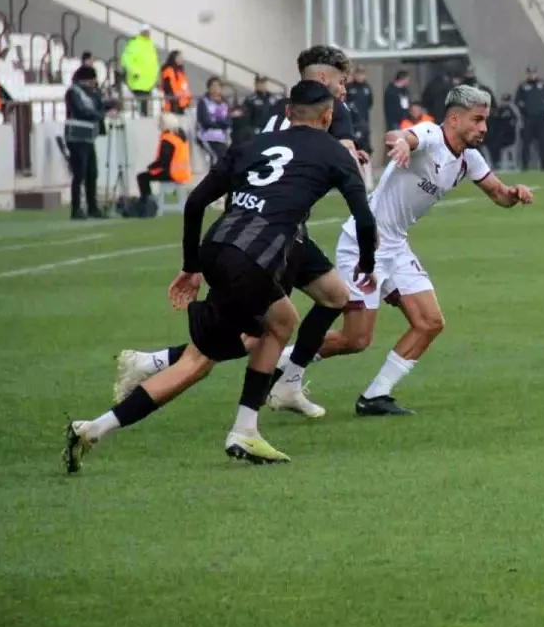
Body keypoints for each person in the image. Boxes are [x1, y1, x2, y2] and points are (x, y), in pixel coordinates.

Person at [64, 80, 379, 474]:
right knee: (201, 361)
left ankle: (106, 427)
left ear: (287, 111)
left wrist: (192, 266)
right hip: (253, 259)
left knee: (279, 322)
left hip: (217, 246)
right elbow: (364, 219)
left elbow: (196, 202)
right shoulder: (335, 152)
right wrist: (366, 263)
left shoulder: (250, 145)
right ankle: (234, 427)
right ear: (329, 116)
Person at [113, 46, 364, 419]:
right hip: (267, 236)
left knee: (332, 296)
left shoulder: (285, 107)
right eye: (342, 82)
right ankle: (158, 372)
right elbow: (345, 159)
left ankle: (289, 382)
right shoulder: (330, 110)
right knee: (249, 333)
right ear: (325, 80)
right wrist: (350, 167)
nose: (345, 91)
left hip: (255, 224)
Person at [277, 85, 534, 417]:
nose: (484, 128)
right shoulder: (430, 134)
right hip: (363, 243)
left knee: (429, 322)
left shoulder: (469, 158)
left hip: (395, 246)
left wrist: (515, 193)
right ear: (454, 119)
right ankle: (282, 360)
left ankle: (375, 396)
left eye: (486, 120)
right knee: (356, 339)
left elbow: (499, 194)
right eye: (478, 120)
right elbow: (403, 136)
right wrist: (400, 143)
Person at [64, 65, 113, 220]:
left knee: (92, 172)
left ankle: (93, 207)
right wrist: (102, 114)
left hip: (88, 137)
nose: (94, 83)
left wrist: (110, 104)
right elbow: (82, 111)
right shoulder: (73, 92)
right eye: (92, 80)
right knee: (79, 174)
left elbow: (98, 105)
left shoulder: (90, 92)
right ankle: (76, 208)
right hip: (76, 137)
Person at [136, 112, 193, 207]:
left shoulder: (168, 139)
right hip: (184, 173)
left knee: (142, 177)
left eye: (160, 122)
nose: (158, 125)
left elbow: (164, 160)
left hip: (172, 173)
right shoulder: (180, 137)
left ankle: (147, 202)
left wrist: (151, 167)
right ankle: (148, 201)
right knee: (146, 175)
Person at [515, 65, 544, 171]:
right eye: (530, 73)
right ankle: (525, 165)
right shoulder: (523, 86)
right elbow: (518, 101)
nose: (532, 75)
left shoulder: (543, 85)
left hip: (541, 118)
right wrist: (523, 111)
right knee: (526, 143)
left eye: (533, 72)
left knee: (543, 142)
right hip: (528, 118)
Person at [120, 24, 158, 117]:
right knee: (140, 107)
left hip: (149, 82)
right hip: (138, 81)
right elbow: (126, 60)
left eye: (148, 31)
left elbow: (153, 62)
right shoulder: (134, 44)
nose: (147, 33)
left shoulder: (150, 45)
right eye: (145, 31)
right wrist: (134, 72)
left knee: (146, 108)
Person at [196, 77, 231, 162]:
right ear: (209, 88)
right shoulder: (203, 101)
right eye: (213, 86)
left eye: (218, 86)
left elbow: (229, 121)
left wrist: (217, 122)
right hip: (207, 137)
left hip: (222, 139)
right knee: (216, 158)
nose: (215, 89)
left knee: (228, 158)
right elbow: (206, 122)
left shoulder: (225, 103)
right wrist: (221, 124)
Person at [485, 92, 521, 168]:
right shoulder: (499, 110)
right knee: (496, 147)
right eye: (504, 101)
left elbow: (518, 121)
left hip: (511, 135)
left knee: (510, 150)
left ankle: (513, 165)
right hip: (500, 135)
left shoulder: (513, 109)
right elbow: (494, 121)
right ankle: (498, 164)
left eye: (506, 101)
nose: (505, 103)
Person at [344, 66, 373, 152]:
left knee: (365, 141)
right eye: (358, 74)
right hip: (352, 120)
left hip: (364, 119)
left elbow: (370, 102)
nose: (360, 76)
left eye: (362, 74)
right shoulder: (348, 87)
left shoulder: (367, 87)